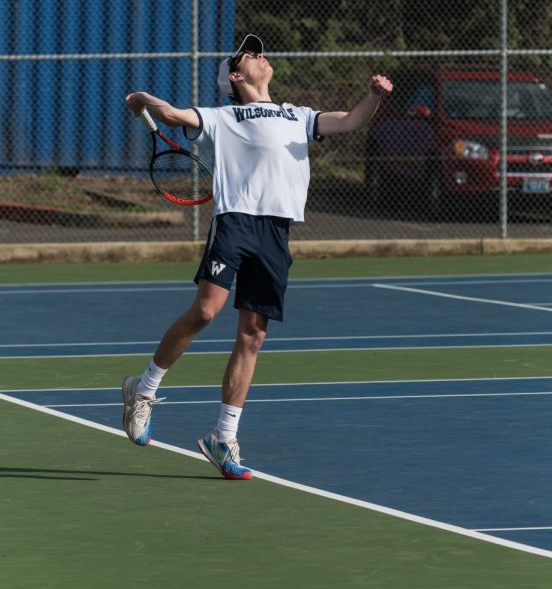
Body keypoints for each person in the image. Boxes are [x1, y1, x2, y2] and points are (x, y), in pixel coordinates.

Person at [122, 34, 393, 480]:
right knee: (206, 312)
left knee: (253, 335)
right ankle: (144, 388)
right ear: (235, 75)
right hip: (235, 222)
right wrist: (143, 100)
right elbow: (172, 114)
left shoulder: (297, 116)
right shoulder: (221, 117)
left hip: (275, 231)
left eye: (260, 51)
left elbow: (348, 122)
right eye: (251, 54)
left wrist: (373, 97)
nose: (261, 56)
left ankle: (222, 437)